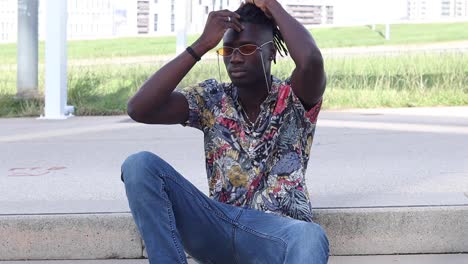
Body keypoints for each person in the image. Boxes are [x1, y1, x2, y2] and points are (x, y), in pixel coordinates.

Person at [121, 1, 328, 263]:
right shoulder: (212, 99)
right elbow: (139, 108)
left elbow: (310, 60)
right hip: (219, 226)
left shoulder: (294, 98)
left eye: (248, 48)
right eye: (228, 50)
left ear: (271, 53)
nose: (236, 57)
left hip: (275, 234)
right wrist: (201, 45)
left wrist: (271, 5)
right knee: (139, 165)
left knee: (311, 235)